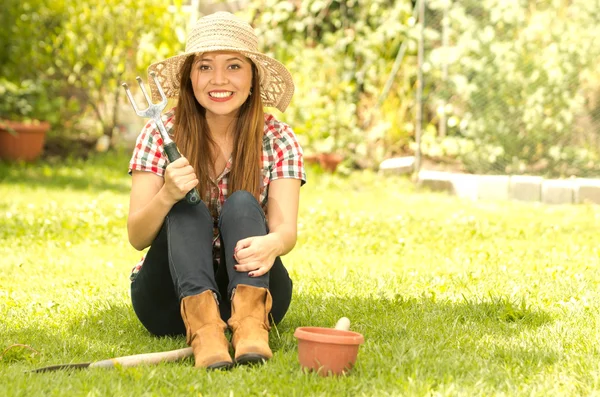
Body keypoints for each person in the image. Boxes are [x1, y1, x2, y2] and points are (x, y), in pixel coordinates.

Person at [126, 11, 305, 370]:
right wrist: (167, 195)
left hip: (252, 289)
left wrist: (273, 243)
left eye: (234, 66)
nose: (219, 79)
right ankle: (206, 331)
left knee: (242, 202)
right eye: (205, 67)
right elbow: (137, 236)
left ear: (253, 77)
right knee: (186, 207)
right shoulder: (162, 134)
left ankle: (250, 326)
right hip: (168, 301)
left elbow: (286, 230)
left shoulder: (278, 138)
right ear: (189, 77)